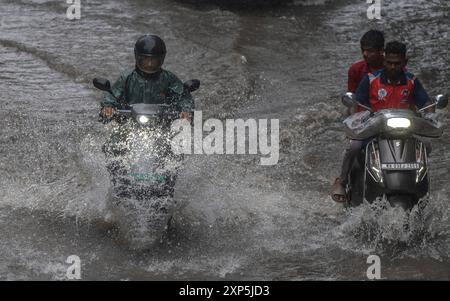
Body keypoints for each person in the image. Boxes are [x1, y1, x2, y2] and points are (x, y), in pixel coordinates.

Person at [331, 41, 432, 202]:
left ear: (404, 62)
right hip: (374, 128)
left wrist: (430, 114)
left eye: (397, 63)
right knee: (354, 146)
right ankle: (342, 181)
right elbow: (359, 104)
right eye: (389, 63)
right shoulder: (371, 80)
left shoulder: (412, 81)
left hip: (405, 129)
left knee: (426, 144)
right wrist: (360, 116)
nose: (393, 67)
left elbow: (425, 103)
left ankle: (419, 183)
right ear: (384, 61)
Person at [100, 34, 194, 120]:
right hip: (129, 122)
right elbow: (112, 95)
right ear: (138, 57)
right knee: (115, 139)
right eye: (146, 60)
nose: (149, 64)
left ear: (161, 59)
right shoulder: (127, 77)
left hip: (162, 123)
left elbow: (183, 97)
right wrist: (108, 107)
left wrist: (186, 110)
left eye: (153, 60)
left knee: (182, 137)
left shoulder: (169, 78)